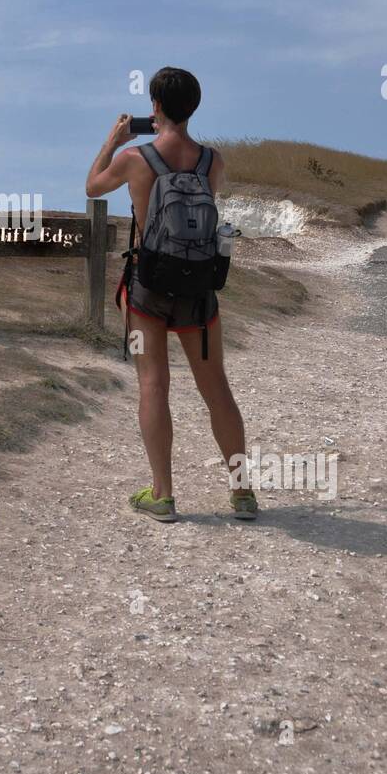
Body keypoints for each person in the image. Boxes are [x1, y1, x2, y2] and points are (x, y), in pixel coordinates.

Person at [85, 66, 253, 523]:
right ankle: (241, 494)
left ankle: (163, 495)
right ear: (194, 107)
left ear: (154, 106)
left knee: (153, 384)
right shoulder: (211, 161)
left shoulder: (134, 159)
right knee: (216, 387)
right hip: (199, 289)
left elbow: (92, 186)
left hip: (149, 287)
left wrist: (114, 139)